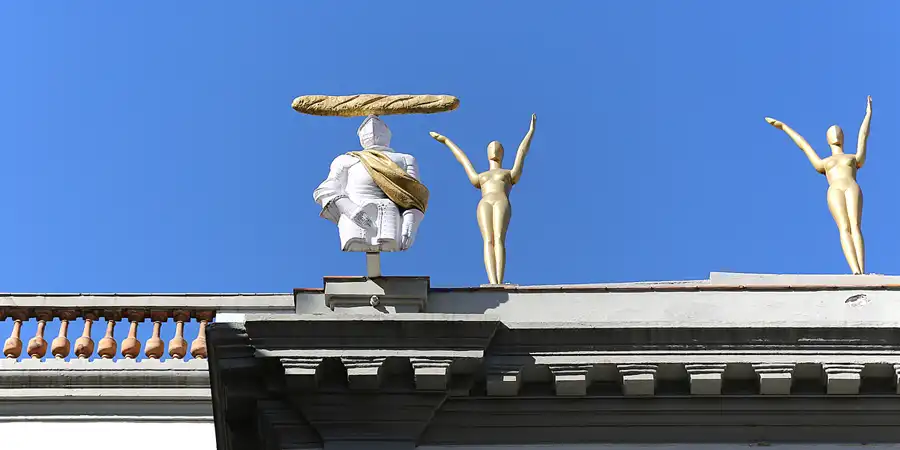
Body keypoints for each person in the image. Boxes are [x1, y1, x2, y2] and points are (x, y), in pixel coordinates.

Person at [765, 96, 872, 274]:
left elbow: (863, 136)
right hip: (835, 189)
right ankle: (855, 271)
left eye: (838, 132)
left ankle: (863, 270)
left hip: (852, 186)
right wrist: (784, 127)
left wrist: (868, 114)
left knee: (855, 226)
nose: (835, 134)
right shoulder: (823, 162)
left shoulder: (853, 158)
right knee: (844, 227)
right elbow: (803, 145)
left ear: (843, 138)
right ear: (827, 139)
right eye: (832, 132)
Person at [430, 114, 536, 284]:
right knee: (488, 239)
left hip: (501, 201)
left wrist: (531, 131)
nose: (494, 149)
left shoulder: (508, 174)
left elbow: (522, 152)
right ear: (487, 154)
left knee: (499, 238)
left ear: (502, 153)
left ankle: (499, 282)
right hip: (484, 203)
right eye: (491, 147)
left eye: (498, 147)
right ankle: (492, 282)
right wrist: (446, 141)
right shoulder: (481, 176)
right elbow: (463, 159)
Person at [313, 115, 428, 252]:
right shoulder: (345, 159)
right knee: (355, 240)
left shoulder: (405, 159)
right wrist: (349, 208)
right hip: (355, 213)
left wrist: (411, 221)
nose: (373, 129)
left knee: (389, 243)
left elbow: (414, 196)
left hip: (389, 215)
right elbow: (326, 189)